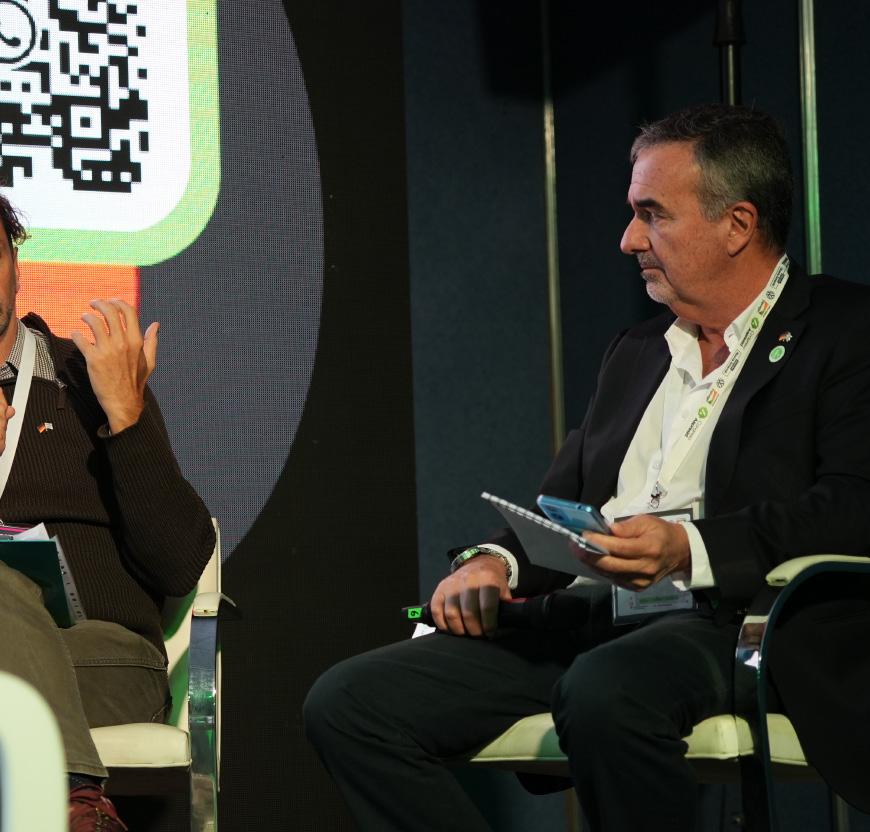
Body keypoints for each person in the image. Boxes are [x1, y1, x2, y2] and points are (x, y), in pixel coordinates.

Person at [303, 103, 870, 831]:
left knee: (607, 690)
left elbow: (852, 506)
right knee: (350, 702)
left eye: (652, 214)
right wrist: (494, 564)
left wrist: (687, 548)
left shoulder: (845, 332)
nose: (628, 238)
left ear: (737, 225)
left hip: (731, 621)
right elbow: (564, 506)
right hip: (595, 615)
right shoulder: (636, 350)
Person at [0, 197, 215, 831]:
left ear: (15, 264)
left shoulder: (87, 379)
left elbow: (179, 564)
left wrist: (126, 415)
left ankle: (68, 795)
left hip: (100, 659)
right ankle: (77, 806)